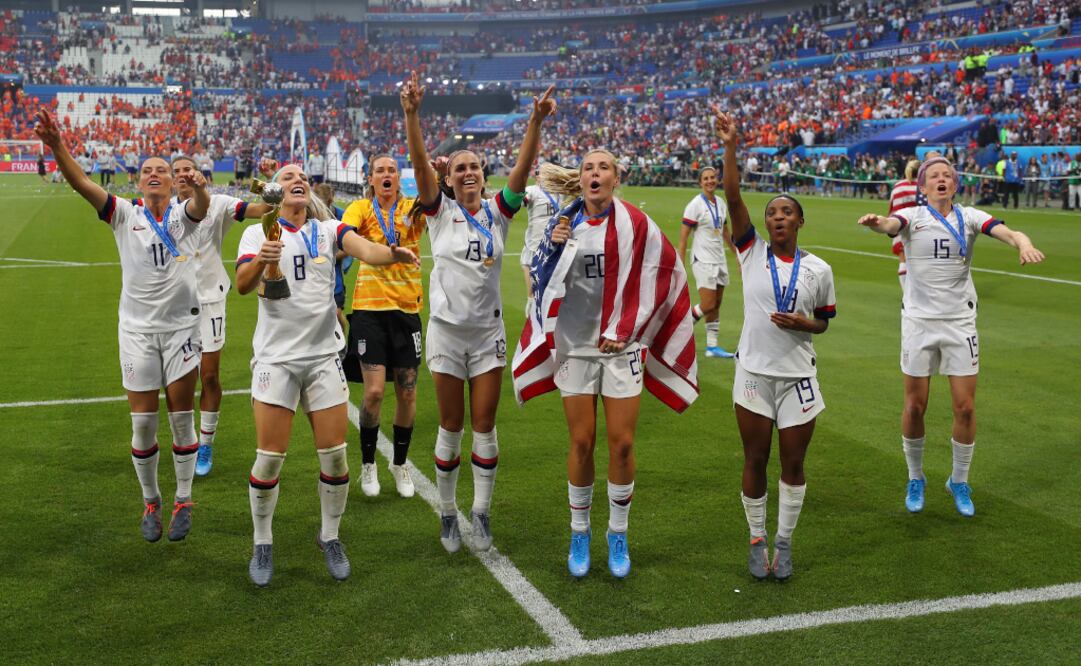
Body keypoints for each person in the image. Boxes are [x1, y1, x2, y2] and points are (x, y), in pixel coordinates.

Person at [512, 150, 699, 580]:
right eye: (588, 168)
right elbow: (538, 285)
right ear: (580, 180)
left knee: (623, 444)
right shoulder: (563, 224)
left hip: (621, 348)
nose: (595, 173)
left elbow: (666, 272)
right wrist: (552, 247)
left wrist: (629, 329)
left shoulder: (638, 224)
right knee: (581, 442)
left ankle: (618, 533)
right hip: (576, 347)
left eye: (603, 167)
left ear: (616, 178)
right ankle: (580, 532)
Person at [236, 163, 418, 587]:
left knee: (335, 457)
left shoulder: (328, 229)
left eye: (302, 177)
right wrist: (262, 260)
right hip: (277, 359)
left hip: (322, 358)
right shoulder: (258, 233)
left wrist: (393, 254)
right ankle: (263, 542)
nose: (297, 180)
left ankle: (330, 537)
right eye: (288, 178)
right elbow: (243, 284)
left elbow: (366, 249)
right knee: (269, 459)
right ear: (275, 191)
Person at [34, 109, 210, 543]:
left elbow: (201, 207)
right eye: (147, 170)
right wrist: (57, 145)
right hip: (136, 333)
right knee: (144, 426)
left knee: (182, 420)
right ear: (138, 181)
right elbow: (82, 182)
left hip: (181, 331)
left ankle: (184, 499)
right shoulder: (123, 214)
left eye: (162, 170)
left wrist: (201, 190)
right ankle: (151, 500)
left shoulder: (182, 215)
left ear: (172, 180)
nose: (154, 175)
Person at [401, 71, 554, 553]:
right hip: (447, 334)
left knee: (484, 426)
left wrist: (534, 122)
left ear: (484, 176)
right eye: (459, 168)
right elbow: (419, 162)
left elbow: (523, 171)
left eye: (475, 167)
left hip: (487, 335)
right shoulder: (438, 213)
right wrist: (412, 115)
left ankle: (481, 513)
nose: (468, 172)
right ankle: (449, 513)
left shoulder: (499, 213)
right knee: (451, 426)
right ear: (448, 179)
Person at [857, 156, 1044, 518]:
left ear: (955, 185)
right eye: (934, 176)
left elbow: (1009, 232)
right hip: (919, 323)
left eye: (947, 175)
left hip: (960, 323)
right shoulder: (913, 215)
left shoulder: (969, 217)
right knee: (915, 406)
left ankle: (959, 480)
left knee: (965, 407)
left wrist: (1022, 244)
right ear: (923, 186)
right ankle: (916, 477)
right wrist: (878, 224)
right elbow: (891, 224)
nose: (941, 179)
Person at [717, 111, 837, 581]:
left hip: (798, 378)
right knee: (755, 458)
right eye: (772, 213)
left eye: (786, 212)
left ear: (800, 220)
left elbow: (824, 323)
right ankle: (756, 538)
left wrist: (805, 323)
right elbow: (733, 196)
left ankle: (784, 542)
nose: (778, 217)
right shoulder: (751, 251)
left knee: (793, 462)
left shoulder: (819, 270)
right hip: (754, 374)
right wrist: (731, 146)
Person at [171, 155, 272, 477]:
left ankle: (206, 443)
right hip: (173, 305)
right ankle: (184, 440)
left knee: (210, 376)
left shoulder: (219, 204)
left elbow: (265, 210)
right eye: (177, 171)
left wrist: (267, 182)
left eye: (188, 169)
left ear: (199, 173)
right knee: (178, 380)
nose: (183, 175)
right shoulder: (164, 211)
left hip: (210, 300)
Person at [339, 155, 425, 499]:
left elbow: (434, 198)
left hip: (407, 308)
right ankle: (368, 463)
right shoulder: (360, 208)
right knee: (373, 392)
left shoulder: (412, 208)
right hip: (369, 310)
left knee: (408, 392)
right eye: (380, 171)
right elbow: (346, 236)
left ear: (398, 178)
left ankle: (399, 464)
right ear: (371, 178)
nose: (386, 174)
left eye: (392, 170)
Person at [678, 166, 737, 358]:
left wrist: (737, 254)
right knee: (708, 304)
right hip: (702, 259)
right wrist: (680, 263)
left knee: (716, 304)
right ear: (700, 183)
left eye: (712, 177)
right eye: (706, 178)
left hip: (719, 259)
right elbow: (683, 238)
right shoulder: (694, 205)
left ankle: (712, 347)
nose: (710, 181)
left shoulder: (721, 203)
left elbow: (725, 232)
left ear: (717, 180)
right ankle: (677, 330)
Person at [521, 175, 561, 309]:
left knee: (527, 264)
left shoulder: (559, 192)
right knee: (529, 264)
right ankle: (533, 299)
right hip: (545, 242)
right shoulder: (534, 190)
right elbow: (524, 200)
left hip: (547, 242)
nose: (538, 176)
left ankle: (533, 300)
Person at [888, 159, 920, 287]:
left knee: (903, 260)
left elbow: (892, 209)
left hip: (901, 226)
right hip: (922, 228)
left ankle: (906, 294)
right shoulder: (925, 186)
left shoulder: (898, 186)